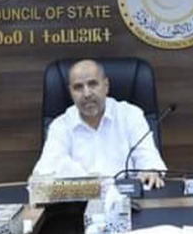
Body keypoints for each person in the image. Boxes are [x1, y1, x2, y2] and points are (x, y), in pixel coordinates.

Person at [31, 59, 166, 188]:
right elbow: (45, 173)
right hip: (80, 200)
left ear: (106, 86)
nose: (86, 94)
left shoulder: (130, 115)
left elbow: (148, 160)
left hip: (128, 198)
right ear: (70, 92)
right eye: (78, 87)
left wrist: (151, 171)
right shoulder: (60, 126)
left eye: (92, 84)